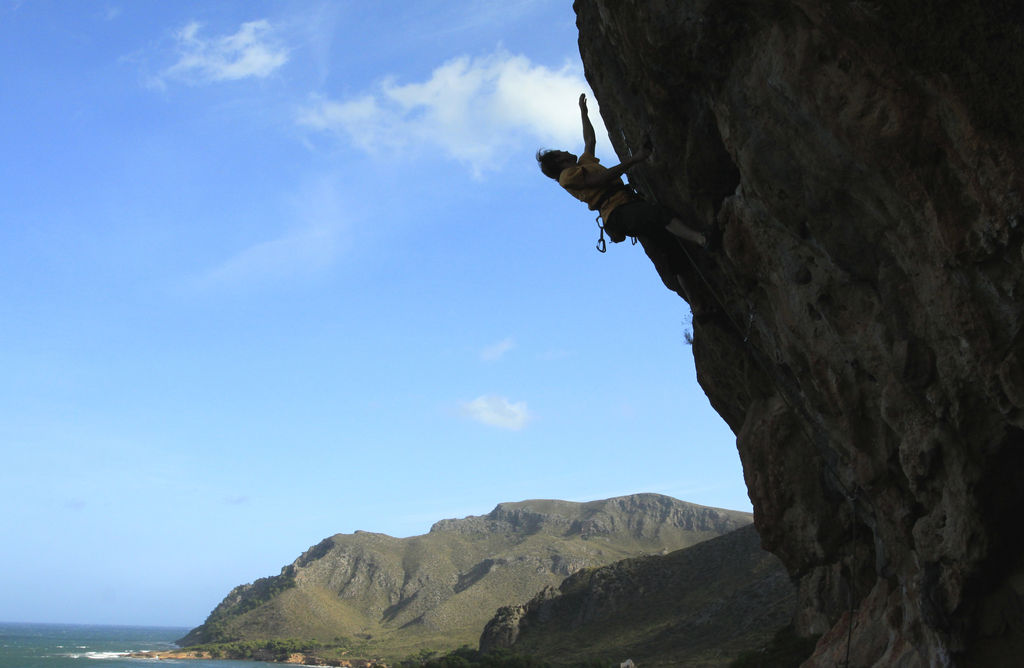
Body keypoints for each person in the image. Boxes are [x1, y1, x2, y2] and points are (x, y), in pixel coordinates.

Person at [537, 94, 711, 250]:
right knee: (657, 213)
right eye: (561, 152)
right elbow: (600, 179)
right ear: (559, 162)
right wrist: (635, 159)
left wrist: (583, 113)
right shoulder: (566, 177)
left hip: (624, 206)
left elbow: (590, 140)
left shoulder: (582, 164)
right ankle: (702, 239)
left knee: (666, 243)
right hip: (616, 213)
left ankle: (692, 251)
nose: (566, 151)